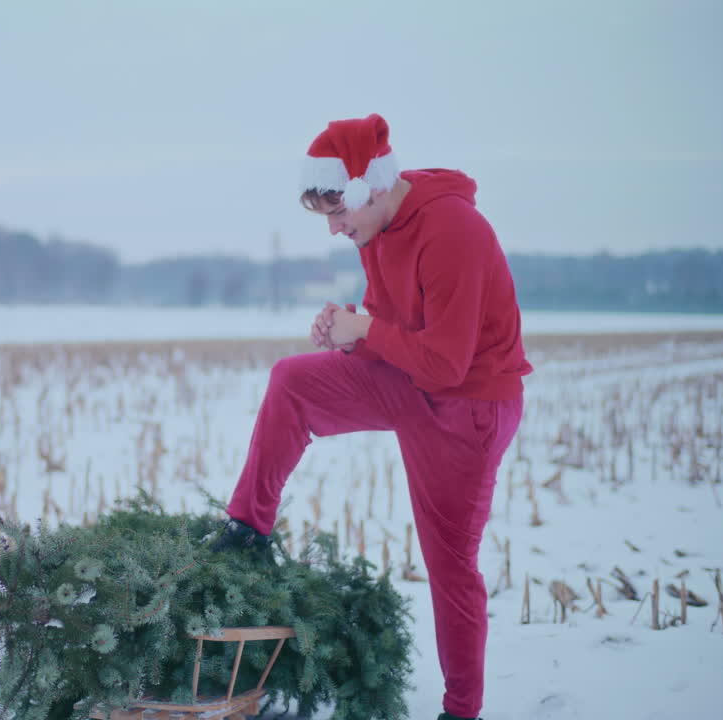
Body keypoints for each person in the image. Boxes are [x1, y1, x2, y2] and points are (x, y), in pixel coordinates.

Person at [210, 113, 532, 720]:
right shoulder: (376, 228)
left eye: (338, 213)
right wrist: (350, 333)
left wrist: (370, 330)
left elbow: (447, 362)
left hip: (470, 404)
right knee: (293, 381)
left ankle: (462, 711)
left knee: (449, 565)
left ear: (369, 188)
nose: (334, 229)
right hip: (413, 378)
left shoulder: (451, 229)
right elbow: (396, 324)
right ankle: (247, 530)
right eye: (326, 217)